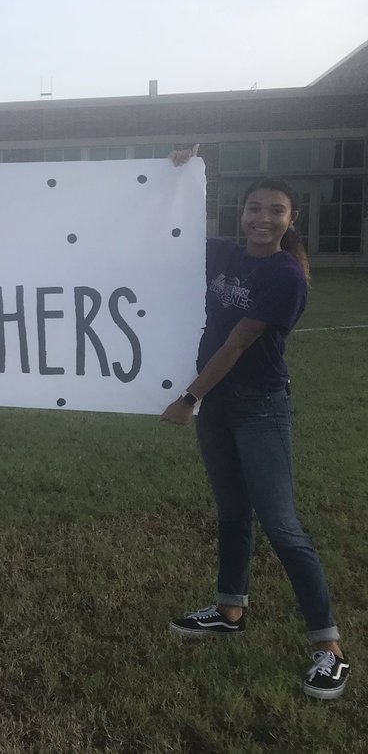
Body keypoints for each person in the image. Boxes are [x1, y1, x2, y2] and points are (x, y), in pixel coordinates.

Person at [161, 146, 349, 700]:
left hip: (257, 405)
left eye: (275, 211)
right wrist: (172, 175)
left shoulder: (287, 276)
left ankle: (329, 647)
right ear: (239, 213)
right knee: (232, 514)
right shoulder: (220, 252)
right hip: (218, 404)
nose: (263, 219)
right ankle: (229, 610)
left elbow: (238, 344)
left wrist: (189, 398)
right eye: (254, 208)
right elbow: (166, 233)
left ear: (292, 220)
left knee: (282, 525)